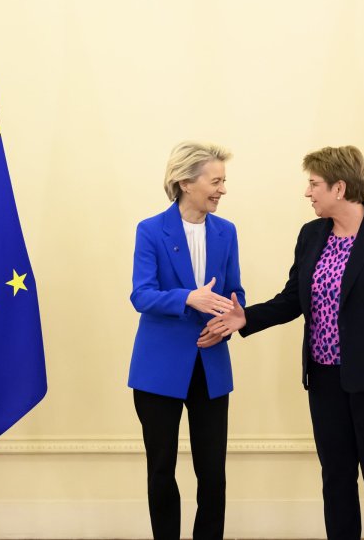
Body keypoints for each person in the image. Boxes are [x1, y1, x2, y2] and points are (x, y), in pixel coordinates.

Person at [206, 145, 364, 540]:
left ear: (340, 188)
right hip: (324, 381)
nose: (308, 192)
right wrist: (245, 317)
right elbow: (293, 299)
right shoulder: (312, 235)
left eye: (314, 184)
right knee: (336, 478)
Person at [128, 141, 245, 540]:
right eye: (215, 181)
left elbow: (235, 294)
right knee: (161, 469)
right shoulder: (150, 230)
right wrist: (187, 298)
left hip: (211, 367)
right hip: (158, 370)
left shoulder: (226, 232)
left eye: (223, 181)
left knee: (213, 472)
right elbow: (140, 295)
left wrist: (231, 317)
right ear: (184, 181)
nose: (222, 190)